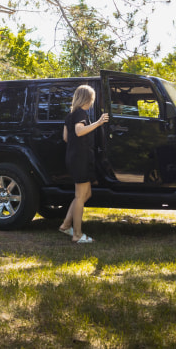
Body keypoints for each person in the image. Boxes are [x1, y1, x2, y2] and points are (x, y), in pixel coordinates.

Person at [58, 85, 109, 244]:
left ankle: (66, 225)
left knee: (86, 194)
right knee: (80, 196)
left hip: (75, 158)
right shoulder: (81, 113)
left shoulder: (70, 115)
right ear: (87, 98)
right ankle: (77, 234)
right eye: (92, 98)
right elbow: (79, 131)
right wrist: (98, 123)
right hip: (80, 159)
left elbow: (66, 137)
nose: (92, 101)